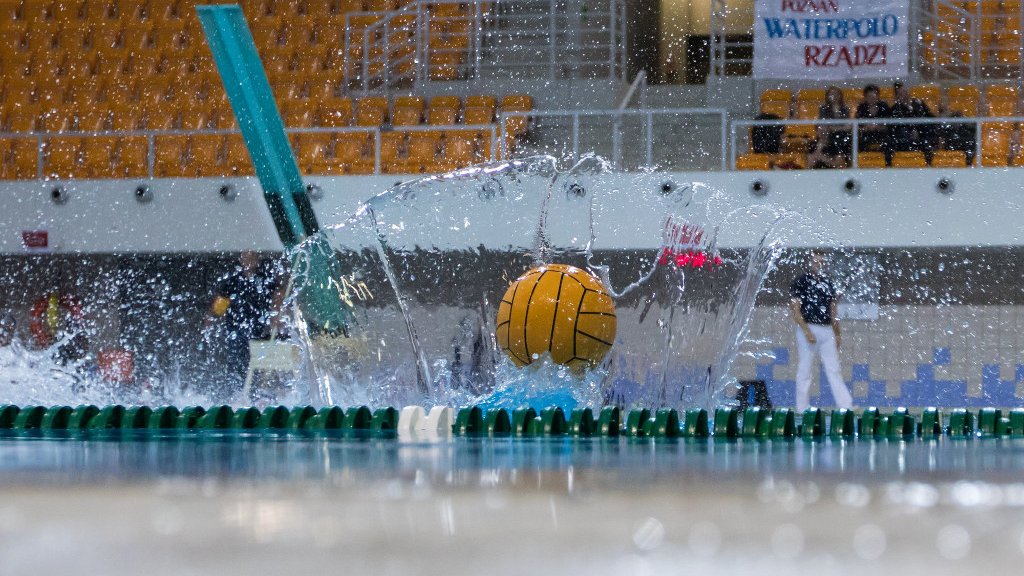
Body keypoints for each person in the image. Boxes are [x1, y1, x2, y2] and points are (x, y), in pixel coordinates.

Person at [204, 251, 286, 391]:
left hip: (258, 330)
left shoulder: (265, 279)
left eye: (252, 258)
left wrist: (276, 316)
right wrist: (211, 319)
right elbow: (220, 305)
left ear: (257, 260)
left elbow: (278, 294)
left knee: (257, 362)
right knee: (236, 360)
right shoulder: (232, 281)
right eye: (246, 258)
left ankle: (255, 391)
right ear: (241, 261)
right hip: (236, 329)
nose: (249, 261)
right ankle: (235, 391)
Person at [789, 251, 853, 412]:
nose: (819, 265)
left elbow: (833, 310)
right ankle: (802, 407)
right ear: (810, 263)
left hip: (826, 330)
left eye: (822, 262)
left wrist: (837, 333)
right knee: (805, 367)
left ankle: (846, 405)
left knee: (833, 368)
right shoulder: (801, 281)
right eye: (816, 262)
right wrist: (806, 331)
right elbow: (796, 310)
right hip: (808, 326)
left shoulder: (827, 282)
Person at [889, 80, 936, 161]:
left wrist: (917, 130)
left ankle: (929, 161)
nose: (903, 94)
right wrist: (911, 130)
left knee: (928, 131)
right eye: (900, 93)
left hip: (922, 133)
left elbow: (929, 117)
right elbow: (897, 125)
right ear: (897, 96)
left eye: (904, 91)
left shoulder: (919, 103)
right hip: (905, 137)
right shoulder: (895, 109)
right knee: (903, 132)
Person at [810, 86, 852, 168]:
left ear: (840, 96)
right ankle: (822, 159)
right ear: (827, 96)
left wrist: (832, 128)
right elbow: (823, 124)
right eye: (832, 94)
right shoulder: (823, 108)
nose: (834, 96)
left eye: (836, 94)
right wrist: (836, 128)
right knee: (821, 139)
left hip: (842, 135)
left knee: (840, 138)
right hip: (827, 135)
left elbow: (847, 126)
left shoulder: (845, 108)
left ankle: (837, 162)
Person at [855, 84, 891, 157]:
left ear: (878, 96)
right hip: (866, 134)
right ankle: (862, 163)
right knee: (858, 141)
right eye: (869, 96)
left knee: (889, 141)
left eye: (874, 96)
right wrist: (866, 128)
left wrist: (878, 127)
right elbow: (858, 126)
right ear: (865, 97)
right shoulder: (861, 108)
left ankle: (888, 164)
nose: (872, 98)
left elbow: (889, 124)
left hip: (882, 134)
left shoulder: (884, 106)